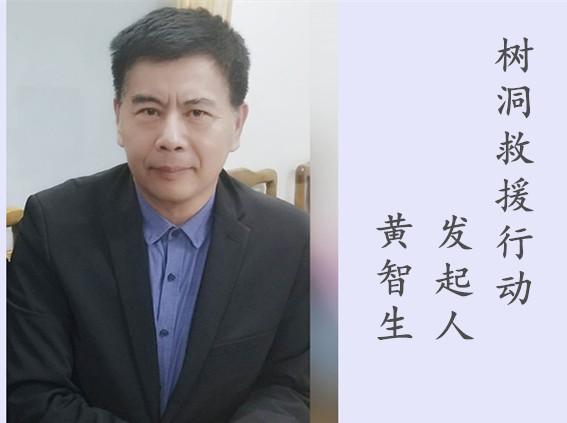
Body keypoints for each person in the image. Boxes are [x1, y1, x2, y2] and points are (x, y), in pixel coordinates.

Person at [7, 7, 309, 423]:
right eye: (149, 111)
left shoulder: (290, 239)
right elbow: (31, 392)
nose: (171, 138)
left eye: (196, 112)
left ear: (237, 124)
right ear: (119, 117)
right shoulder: (53, 225)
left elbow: (293, 384)